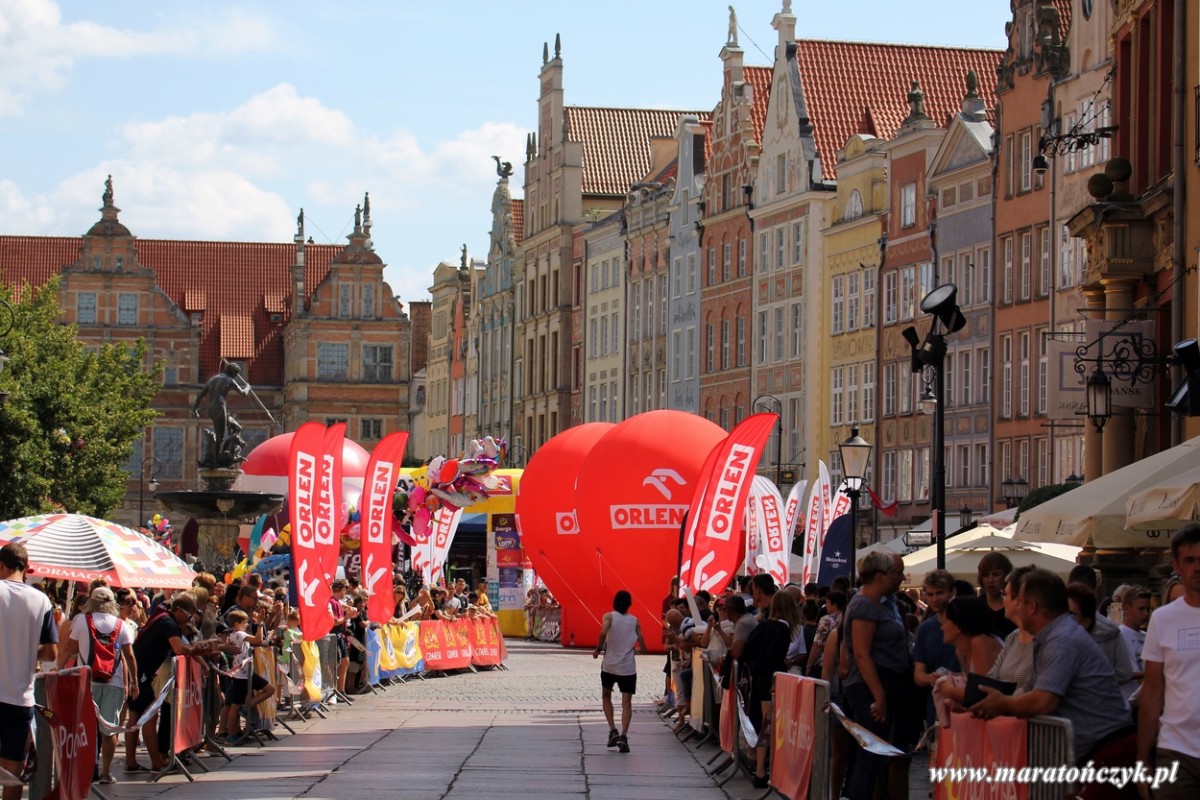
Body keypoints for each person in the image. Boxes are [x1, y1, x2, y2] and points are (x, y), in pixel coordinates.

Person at [970, 569, 1132, 769]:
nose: (1015, 607)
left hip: (1105, 753)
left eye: (1019, 601)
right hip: (1093, 753)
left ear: (1032, 607)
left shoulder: (1062, 639)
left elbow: (1043, 701)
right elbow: (1028, 692)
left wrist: (1002, 704)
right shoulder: (1051, 637)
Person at [1137, 525, 1200, 800]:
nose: (1198, 568)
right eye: (1190, 560)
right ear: (1176, 564)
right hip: (1176, 749)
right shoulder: (1162, 619)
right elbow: (1152, 690)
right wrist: (1142, 757)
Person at [843, 551, 913, 800]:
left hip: (880, 683)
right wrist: (879, 696)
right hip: (869, 687)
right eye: (895, 574)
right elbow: (862, 654)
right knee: (870, 756)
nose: (900, 578)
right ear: (880, 575)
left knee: (877, 756)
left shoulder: (879, 603)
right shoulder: (864, 604)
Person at [56, 586, 136, 785]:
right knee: (109, 730)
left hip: (86, 681)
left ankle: (88, 769)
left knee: (87, 727)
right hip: (114, 681)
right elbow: (130, 656)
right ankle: (106, 772)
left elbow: (70, 650)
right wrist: (133, 681)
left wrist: (58, 671)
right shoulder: (121, 624)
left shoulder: (82, 621)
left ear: (91, 601)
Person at [125, 594, 210, 772]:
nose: (189, 620)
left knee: (135, 716)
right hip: (142, 673)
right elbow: (180, 649)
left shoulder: (163, 620)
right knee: (149, 715)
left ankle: (131, 761)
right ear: (179, 611)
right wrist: (200, 648)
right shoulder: (168, 623)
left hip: (138, 671)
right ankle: (156, 762)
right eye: (188, 616)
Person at [0, 543, 58, 800]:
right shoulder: (42, 600)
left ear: (1, 565)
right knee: (12, 773)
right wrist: (24, 651)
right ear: (24, 568)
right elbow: (50, 653)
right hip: (21, 699)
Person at [740, 591, 801, 788]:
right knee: (772, 725)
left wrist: (756, 665)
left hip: (759, 679)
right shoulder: (783, 629)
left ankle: (760, 769)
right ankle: (768, 770)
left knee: (762, 725)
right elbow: (774, 655)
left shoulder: (763, 625)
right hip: (773, 680)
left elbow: (748, 650)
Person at [593, 590, 647, 754]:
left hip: (610, 664)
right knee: (626, 703)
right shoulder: (635, 621)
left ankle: (612, 730)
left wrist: (598, 649)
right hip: (627, 667)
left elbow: (603, 632)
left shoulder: (608, 617)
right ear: (630, 604)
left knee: (606, 696)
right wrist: (637, 651)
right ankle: (624, 735)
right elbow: (643, 645)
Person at [912, 569, 961, 726]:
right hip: (937, 707)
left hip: (963, 703)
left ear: (953, 592)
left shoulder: (967, 624)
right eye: (930, 594)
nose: (934, 599)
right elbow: (918, 675)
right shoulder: (925, 629)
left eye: (939, 593)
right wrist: (931, 678)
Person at [1066, 582, 1134, 693]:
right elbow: (1124, 673)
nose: (1065, 618)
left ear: (1087, 620)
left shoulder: (1064, 638)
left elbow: (1125, 673)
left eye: (1070, 614)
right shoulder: (1112, 629)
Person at [219, 609, 274, 742]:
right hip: (241, 675)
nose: (247, 625)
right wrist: (260, 623)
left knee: (269, 689)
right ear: (236, 624)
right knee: (235, 705)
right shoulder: (238, 634)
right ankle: (231, 733)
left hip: (247, 673)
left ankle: (246, 707)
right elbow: (258, 639)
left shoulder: (238, 634)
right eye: (245, 623)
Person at [190, 362, 251, 466]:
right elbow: (243, 393)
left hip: (212, 408)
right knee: (220, 437)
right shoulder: (230, 380)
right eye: (236, 373)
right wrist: (248, 387)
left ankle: (230, 453)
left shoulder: (212, 380)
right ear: (233, 372)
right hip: (220, 406)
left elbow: (200, 395)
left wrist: (194, 409)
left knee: (236, 427)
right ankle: (215, 462)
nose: (236, 376)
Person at [1117, 585, 1151, 701]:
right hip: (1126, 699)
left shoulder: (1148, 636)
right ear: (1126, 608)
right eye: (1141, 609)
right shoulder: (1119, 635)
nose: (1146, 614)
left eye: (1148, 609)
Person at [978, 552, 1017, 637]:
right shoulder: (976, 606)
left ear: (1006, 576)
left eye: (996, 574)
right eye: (986, 575)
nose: (990, 580)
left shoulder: (1015, 607)